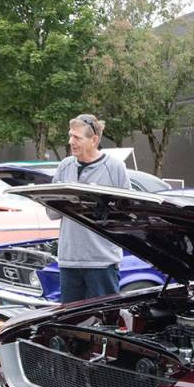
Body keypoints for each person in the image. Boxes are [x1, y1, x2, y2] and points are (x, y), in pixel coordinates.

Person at [51, 114, 130, 303]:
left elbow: (125, 214)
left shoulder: (115, 167)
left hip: (101, 263)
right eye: (70, 136)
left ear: (94, 140)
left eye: (77, 137)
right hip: (69, 261)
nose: (71, 141)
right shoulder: (64, 166)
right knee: (71, 326)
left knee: (104, 324)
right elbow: (51, 212)